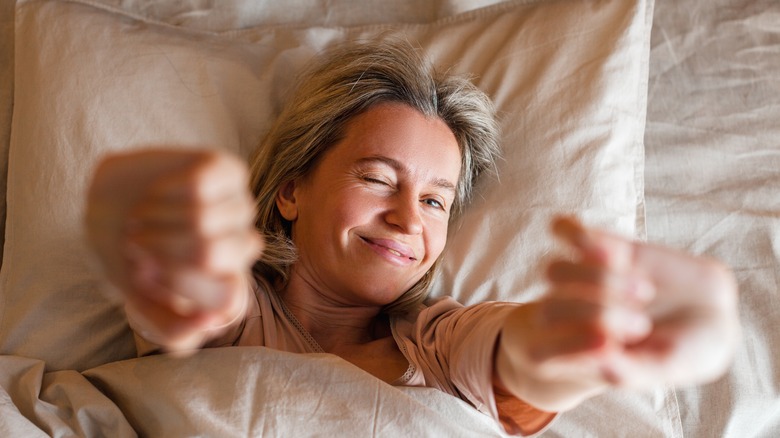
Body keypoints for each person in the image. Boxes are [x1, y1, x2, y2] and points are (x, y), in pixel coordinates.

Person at [85, 39, 740, 435]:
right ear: (291, 190)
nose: (408, 217)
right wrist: (173, 247)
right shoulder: (242, 319)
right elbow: (198, 291)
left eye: (434, 200)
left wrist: (600, 331)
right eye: (376, 178)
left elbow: (524, 354)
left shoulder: (436, 342)